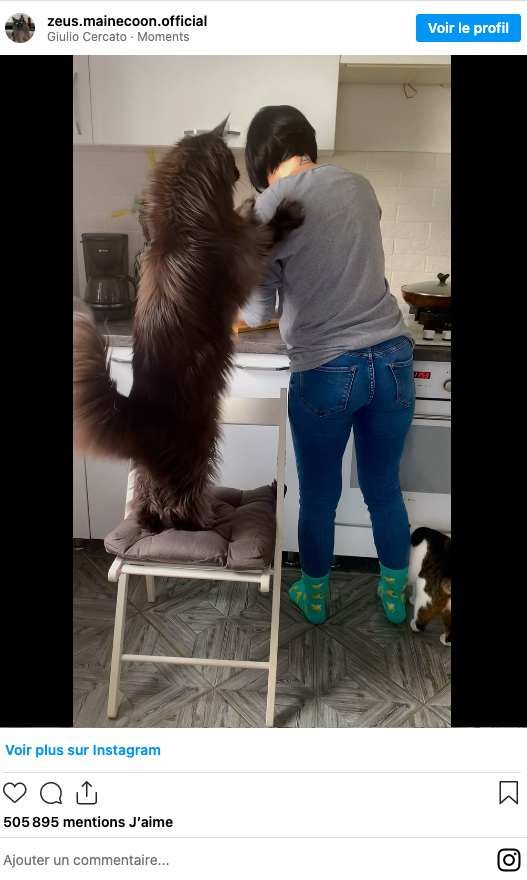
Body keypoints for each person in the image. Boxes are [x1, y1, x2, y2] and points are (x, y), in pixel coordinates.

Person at [242, 105, 416, 626]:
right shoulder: (360, 186)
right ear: (306, 144)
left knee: (319, 493)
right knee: (383, 487)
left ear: (262, 159)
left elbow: (256, 312)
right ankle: (392, 597)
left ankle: (314, 599)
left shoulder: (267, 206)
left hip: (326, 367)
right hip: (391, 357)